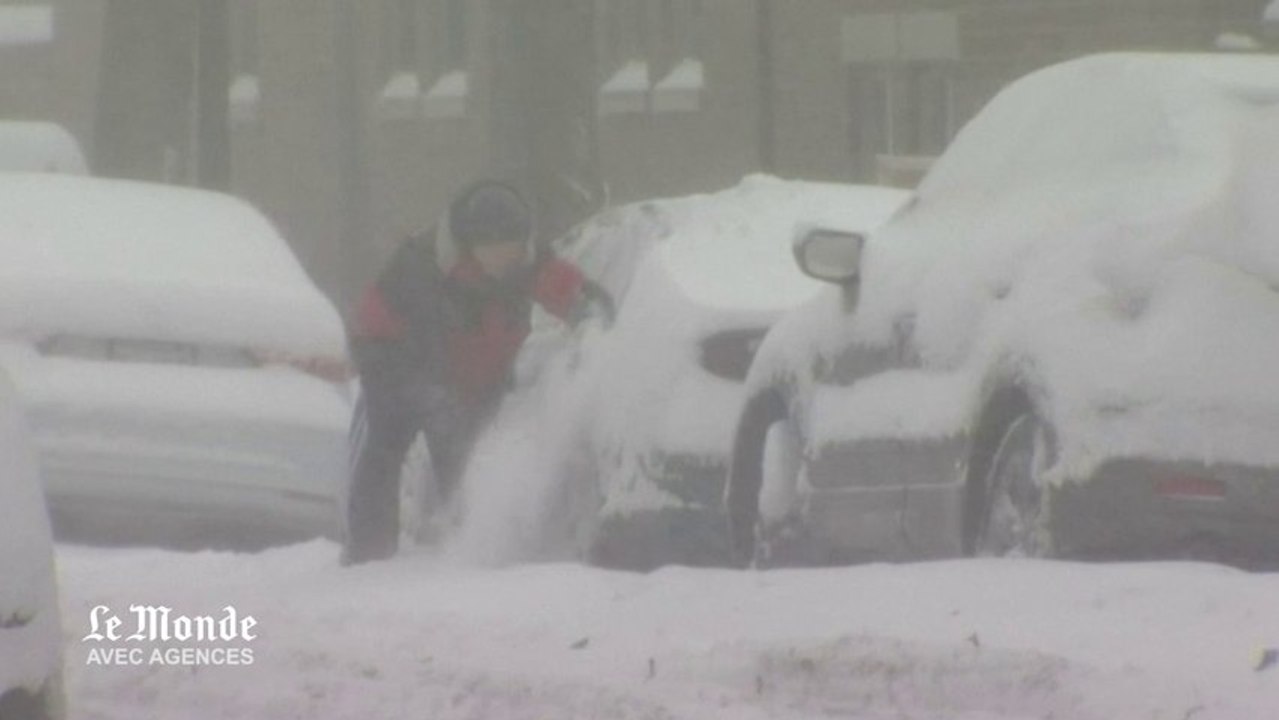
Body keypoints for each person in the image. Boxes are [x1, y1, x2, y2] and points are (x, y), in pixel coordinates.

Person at [342, 180, 609, 565]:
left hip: (472, 374)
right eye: (495, 250)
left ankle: (473, 545)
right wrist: (439, 396)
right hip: (393, 363)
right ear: (472, 246)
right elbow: (415, 348)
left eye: (514, 248)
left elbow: (563, 287)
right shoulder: (422, 270)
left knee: (467, 450)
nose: (506, 258)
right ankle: (371, 554)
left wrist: (588, 311)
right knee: (391, 453)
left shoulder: (525, 263)